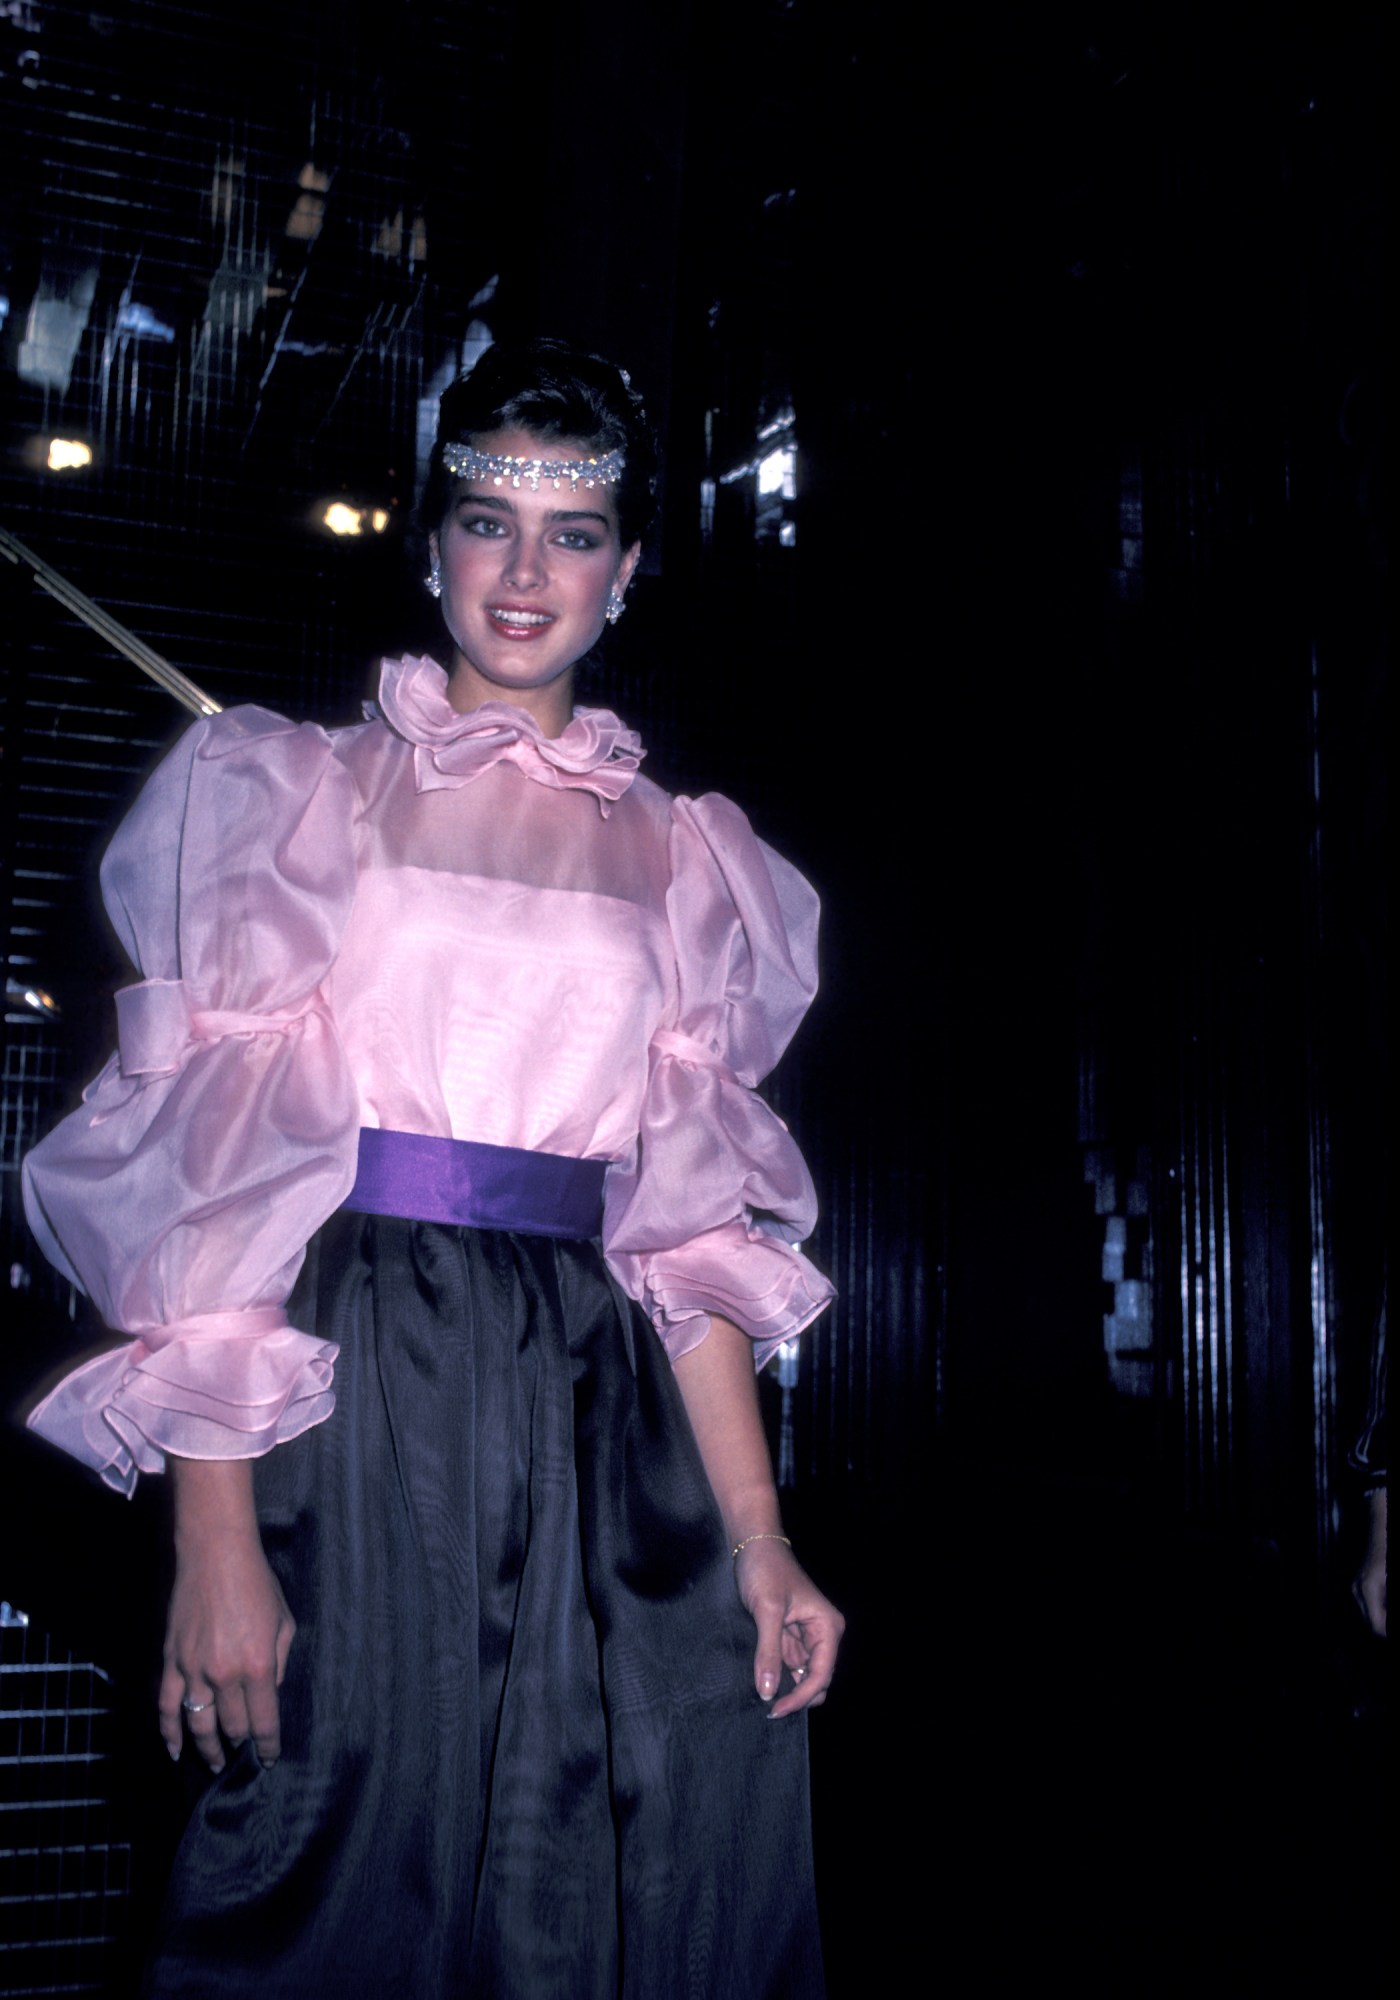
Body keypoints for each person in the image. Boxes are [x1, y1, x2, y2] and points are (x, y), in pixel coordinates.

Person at [22, 338, 842, 1996]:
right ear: (429, 544)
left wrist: (761, 1540)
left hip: (603, 1414)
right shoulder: (293, 797)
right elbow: (216, 1194)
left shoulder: (690, 860)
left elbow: (681, 1235)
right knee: (329, 1873)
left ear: (626, 570)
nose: (524, 570)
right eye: (486, 520)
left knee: (617, 1879)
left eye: (573, 530)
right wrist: (213, 1541)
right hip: (358, 1377)